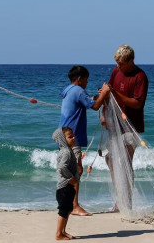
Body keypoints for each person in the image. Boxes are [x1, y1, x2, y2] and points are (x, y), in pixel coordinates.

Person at [59, 65, 111, 216]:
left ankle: (68, 204)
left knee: (70, 170)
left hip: (63, 134)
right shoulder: (78, 90)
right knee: (77, 170)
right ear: (80, 79)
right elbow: (95, 106)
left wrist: (98, 96)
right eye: (87, 79)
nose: (87, 82)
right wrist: (106, 92)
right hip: (72, 137)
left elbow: (89, 101)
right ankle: (74, 206)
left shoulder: (69, 90)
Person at [105, 45, 149, 212]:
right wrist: (103, 111)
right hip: (113, 123)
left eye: (122, 63)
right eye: (117, 63)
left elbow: (137, 104)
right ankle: (118, 199)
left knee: (126, 163)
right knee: (109, 159)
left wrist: (115, 93)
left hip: (131, 125)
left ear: (131, 61)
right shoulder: (116, 71)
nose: (118, 66)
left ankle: (127, 203)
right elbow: (109, 92)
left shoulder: (140, 76)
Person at [52, 127, 79, 240]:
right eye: (70, 137)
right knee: (63, 211)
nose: (74, 138)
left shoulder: (66, 151)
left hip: (67, 187)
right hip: (65, 187)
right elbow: (62, 168)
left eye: (73, 135)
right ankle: (58, 234)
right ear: (63, 140)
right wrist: (71, 178)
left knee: (68, 209)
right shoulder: (67, 152)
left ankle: (63, 231)